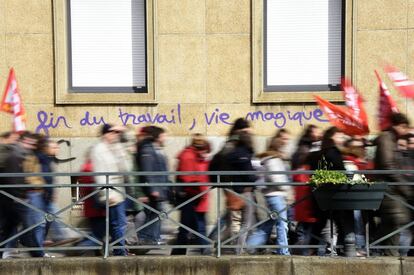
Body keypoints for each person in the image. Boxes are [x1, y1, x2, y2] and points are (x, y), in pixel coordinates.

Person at [374, 113, 412, 256]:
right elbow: (387, 165)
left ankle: (388, 253)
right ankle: (386, 253)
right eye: (404, 127)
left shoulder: (391, 138)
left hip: (393, 188)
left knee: (393, 222)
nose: (406, 130)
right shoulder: (386, 138)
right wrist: (404, 186)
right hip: (389, 188)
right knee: (395, 220)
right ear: (398, 125)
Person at [90, 124, 131, 256]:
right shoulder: (98, 150)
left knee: (117, 223)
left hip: (120, 191)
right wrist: (106, 193)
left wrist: (121, 149)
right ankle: (120, 251)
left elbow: (126, 168)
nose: (115, 134)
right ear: (105, 134)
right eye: (112, 132)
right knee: (118, 223)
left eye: (116, 132)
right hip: (110, 193)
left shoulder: (116, 147)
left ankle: (116, 249)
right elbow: (99, 174)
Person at [247, 134, 290, 255]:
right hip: (276, 196)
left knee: (269, 223)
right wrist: (287, 188)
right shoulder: (273, 160)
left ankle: (251, 244)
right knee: (282, 224)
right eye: (283, 147)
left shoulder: (272, 159)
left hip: (274, 195)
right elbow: (276, 178)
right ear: (278, 148)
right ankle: (283, 251)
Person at [172, 134, 211, 255]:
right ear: (201, 148)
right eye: (206, 151)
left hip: (198, 196)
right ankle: (205, 252)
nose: (207, 154)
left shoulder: (196, 157)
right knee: (197, 226)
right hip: (192, 196)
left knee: (188, 227)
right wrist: (200, 188)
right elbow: (188, 177)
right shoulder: (189, 156)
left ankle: (179, 252)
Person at [136, 126, 170, 246]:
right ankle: (147, 238)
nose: (165, 138)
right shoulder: (148, 150)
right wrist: (153, 189)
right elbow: (148, 171)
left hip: (160, 189)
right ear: (157, 137)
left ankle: (152, 238)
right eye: (163, 136)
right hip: (154, 190)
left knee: (157, 214)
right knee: (154, 214)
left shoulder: (156, 149)